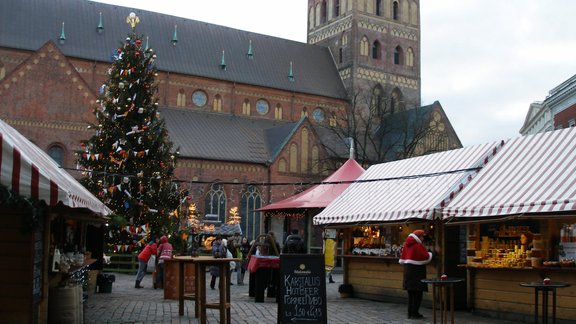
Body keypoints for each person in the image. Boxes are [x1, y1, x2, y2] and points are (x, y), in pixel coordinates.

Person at [398, 229, 434, 319]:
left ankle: (410, 313)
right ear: (419, 237)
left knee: (410, 294)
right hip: (417, 272)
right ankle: (415, 313)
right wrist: (432, 254)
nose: (423, 239)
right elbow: (426, 256)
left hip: (408, 271)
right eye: (422, 237)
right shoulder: (418, 245)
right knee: (418, 294)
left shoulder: (407, 244)